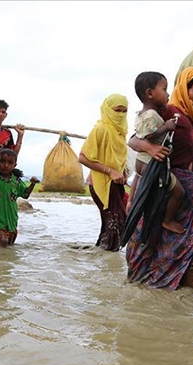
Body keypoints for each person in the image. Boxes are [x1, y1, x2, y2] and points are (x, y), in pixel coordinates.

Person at [125, 67, 193, 290]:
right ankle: (141, 294)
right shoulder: (168, 112)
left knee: (187, 247)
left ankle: (185, 306)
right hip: (163, 188)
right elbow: (135, 140)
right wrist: (149, 148)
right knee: (149, 240)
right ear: (184, 89)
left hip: (186, 195)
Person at [132, 71, 185, 234]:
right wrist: (166, 127)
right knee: (178, 192)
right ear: (149, 93)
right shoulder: (151, 115)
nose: (168, 94)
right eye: (164, 89)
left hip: (141, 163)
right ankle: (168, 220)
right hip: (151, 164)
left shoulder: (140, 115)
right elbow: (149, 134)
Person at [78, 93, 130, 252]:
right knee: (115, 223)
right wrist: (110, 171)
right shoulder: (100, 129)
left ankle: (100, 254)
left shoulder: (121, 132)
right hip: (101, 185)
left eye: (124, 111)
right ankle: (107, 264)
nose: (120, 115)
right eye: (117, 110)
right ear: (108, 109)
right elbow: (83, 158)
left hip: (115, 185)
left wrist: (122, 173)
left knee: (113, 224)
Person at [0, 99, 26, 230]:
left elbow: (13, 154)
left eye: (3, 112)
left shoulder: (7, 133)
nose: (0, 114)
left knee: (7, 199)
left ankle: (6, 227)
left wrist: (20, 136)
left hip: (4, 169)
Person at [0, 148, 39, 247]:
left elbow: (25, 194)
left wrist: (32, 184)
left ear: (14, 165)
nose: (6, 165)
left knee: (9, 246)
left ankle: (0, 261)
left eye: (10, 163)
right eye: (2, 162)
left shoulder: (16, 181)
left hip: (12, 221)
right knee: (3, 241)